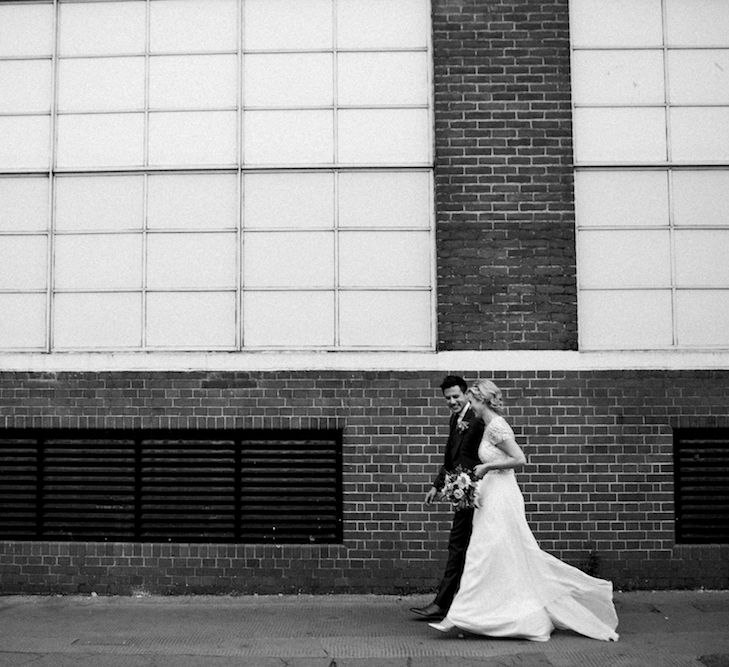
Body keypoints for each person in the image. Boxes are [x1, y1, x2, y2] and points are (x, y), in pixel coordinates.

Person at [429, 379, 619, 642]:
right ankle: (472, 614)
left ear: (482, 401)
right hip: (491, 495)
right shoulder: (485, 425)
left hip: (502, 497)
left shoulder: (495, 425)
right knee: (486, 554)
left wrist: (486, 469)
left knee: (490, 551)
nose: (468, 406)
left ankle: (482, 614)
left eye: (471, 401)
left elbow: (520, 458)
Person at [410, 375, 485, 621]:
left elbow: (478, 457)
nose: (452, 401)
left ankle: (443, 603)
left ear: (465, 394)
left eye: (456, 396)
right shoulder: (457, 418)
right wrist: (437, 485)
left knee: (458, 545)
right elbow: (450, 458)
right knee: (460, 545)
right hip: (461, 491)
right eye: (447, 398)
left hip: (473, 493)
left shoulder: (476, 419)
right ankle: (453, 602)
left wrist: (465, 483)